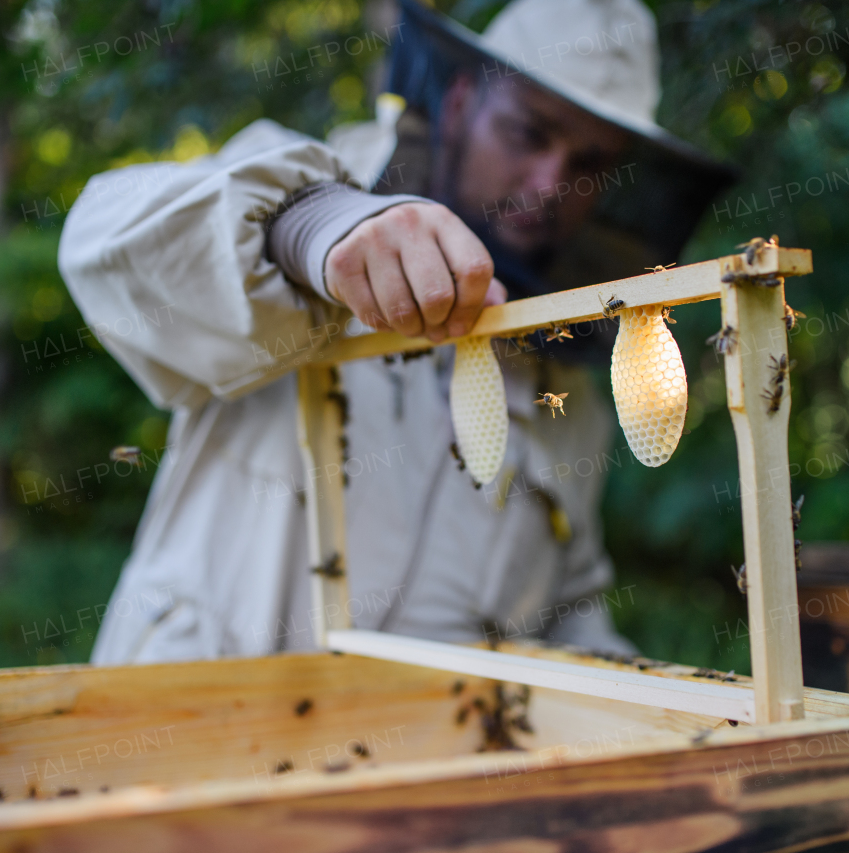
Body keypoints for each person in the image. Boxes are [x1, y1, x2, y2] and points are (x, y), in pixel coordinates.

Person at [59, 0, 734, 664]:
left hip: (431, 763)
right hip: (184, 747)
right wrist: (311, 229)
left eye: (588, 164)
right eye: (529, 132)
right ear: (463, 102)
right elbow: (102, 243)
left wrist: (672, 705)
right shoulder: (288, 202)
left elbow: (566, 608)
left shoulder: (570, 393)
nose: (550, 183)